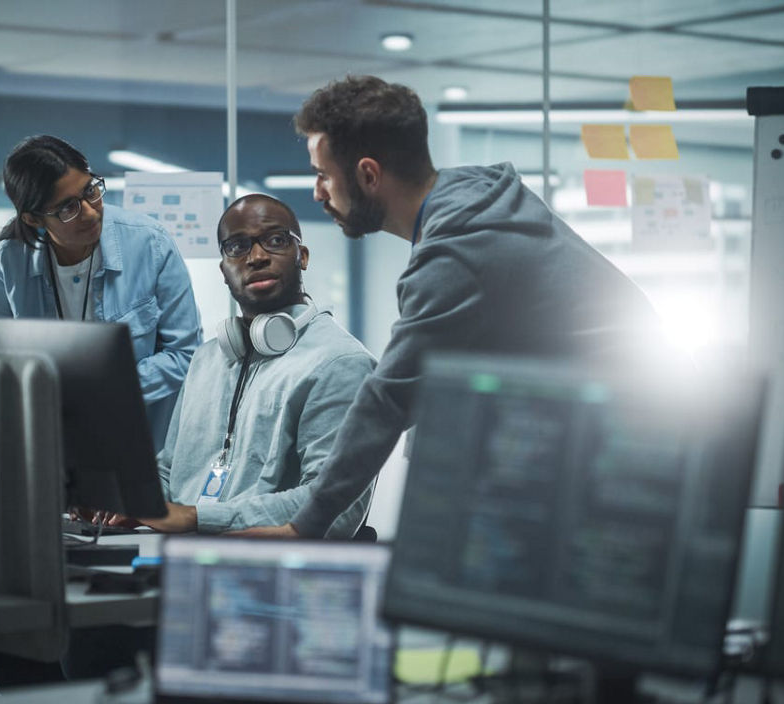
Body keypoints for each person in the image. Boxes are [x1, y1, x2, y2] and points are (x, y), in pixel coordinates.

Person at [240, 75, 663, 539]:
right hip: (615, 441)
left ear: (368, 175)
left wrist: (304, 525)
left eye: (323, 174)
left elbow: (388, 400)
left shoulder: (457, 252)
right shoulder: (475, 199)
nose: (318, 192)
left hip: (622, 463)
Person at [116, 194, 377, 538]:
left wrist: (196, 517)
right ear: (224, 270)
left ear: (302, 256)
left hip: (262, 564)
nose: (256, 257)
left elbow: (334, 507)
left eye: (275, 241)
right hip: (180, 551)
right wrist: (131, 503)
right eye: (237, 247)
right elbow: (168, 472)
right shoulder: (207, 360)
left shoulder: (340, 363)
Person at [0, 135, 202, 448]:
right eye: (67, 208)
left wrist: (101, 390)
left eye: (90, 191)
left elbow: (185, 354)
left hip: (143, 443)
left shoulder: (149, 243)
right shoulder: (6, 264)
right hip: (50, 446)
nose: (91, 212)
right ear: (33, 218)